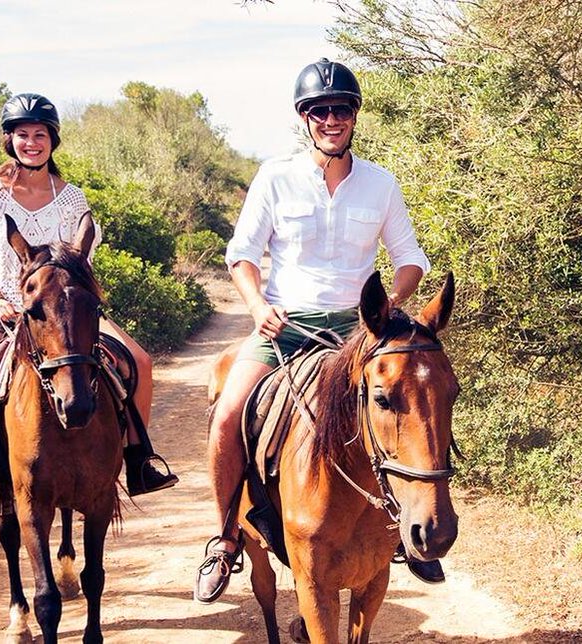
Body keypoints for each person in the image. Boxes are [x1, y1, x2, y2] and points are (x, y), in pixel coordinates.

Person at [194, 59, 445, 604]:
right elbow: (241, 255)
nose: (331, 119)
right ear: (304, 118)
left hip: (358, 337)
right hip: (284, 326)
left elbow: (410, 259)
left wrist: (389, 306)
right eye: (320, 110)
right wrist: (257, 305)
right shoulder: (274, 177)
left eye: (341, 110)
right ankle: (225, 538)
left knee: (412, 407)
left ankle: (407, 533)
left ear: (354, 117)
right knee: (228, 417)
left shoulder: (380, 184)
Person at [0, 92, 177, 519]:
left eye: (40, 135)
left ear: (53, 140)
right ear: (9, 140)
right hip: (3, 312)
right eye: (23, 135)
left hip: (65, 312)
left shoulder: (72, 198)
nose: (32, 142)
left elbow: (81, 263)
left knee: (139, 361)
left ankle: (138, 459)